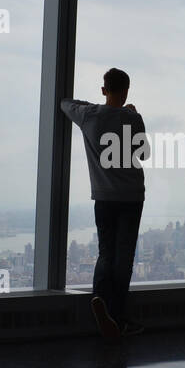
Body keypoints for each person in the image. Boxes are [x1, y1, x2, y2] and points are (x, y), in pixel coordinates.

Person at [61, 68, 146, 338]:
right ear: (127, 91)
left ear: (103, 89)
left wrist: (97, 105)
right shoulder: (133, 118)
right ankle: (119, 317)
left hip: (104, 197)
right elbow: (144, 153)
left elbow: (65, 103)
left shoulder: (89, 116)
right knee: (124, 258)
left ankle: (100, 301)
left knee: (106, 253)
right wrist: (131, 115)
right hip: (132, 196)